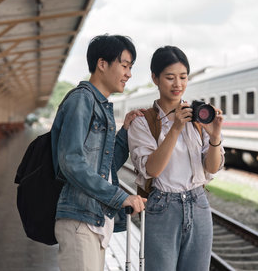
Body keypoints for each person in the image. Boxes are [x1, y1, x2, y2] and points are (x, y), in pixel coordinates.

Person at [50, 34, 146, 271]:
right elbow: (71, 162)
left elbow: (104, 166)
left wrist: (124, 132)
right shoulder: (82, 100)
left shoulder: (100, 105)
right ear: (102, 64)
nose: (129, 73)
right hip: (79, 221)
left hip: (93, 220)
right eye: (124, 65)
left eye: (130, 67)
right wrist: (120, 196)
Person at [128, 45, 225, 270]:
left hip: (198, 203)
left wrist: (215, 136)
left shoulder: (199, 118)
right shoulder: (143, 121)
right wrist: (175, 129)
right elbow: (152, 170)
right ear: (155, 78)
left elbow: (212, 168)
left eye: (183, 77)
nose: (178, 84)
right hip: (162, 207)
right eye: (170, 77)